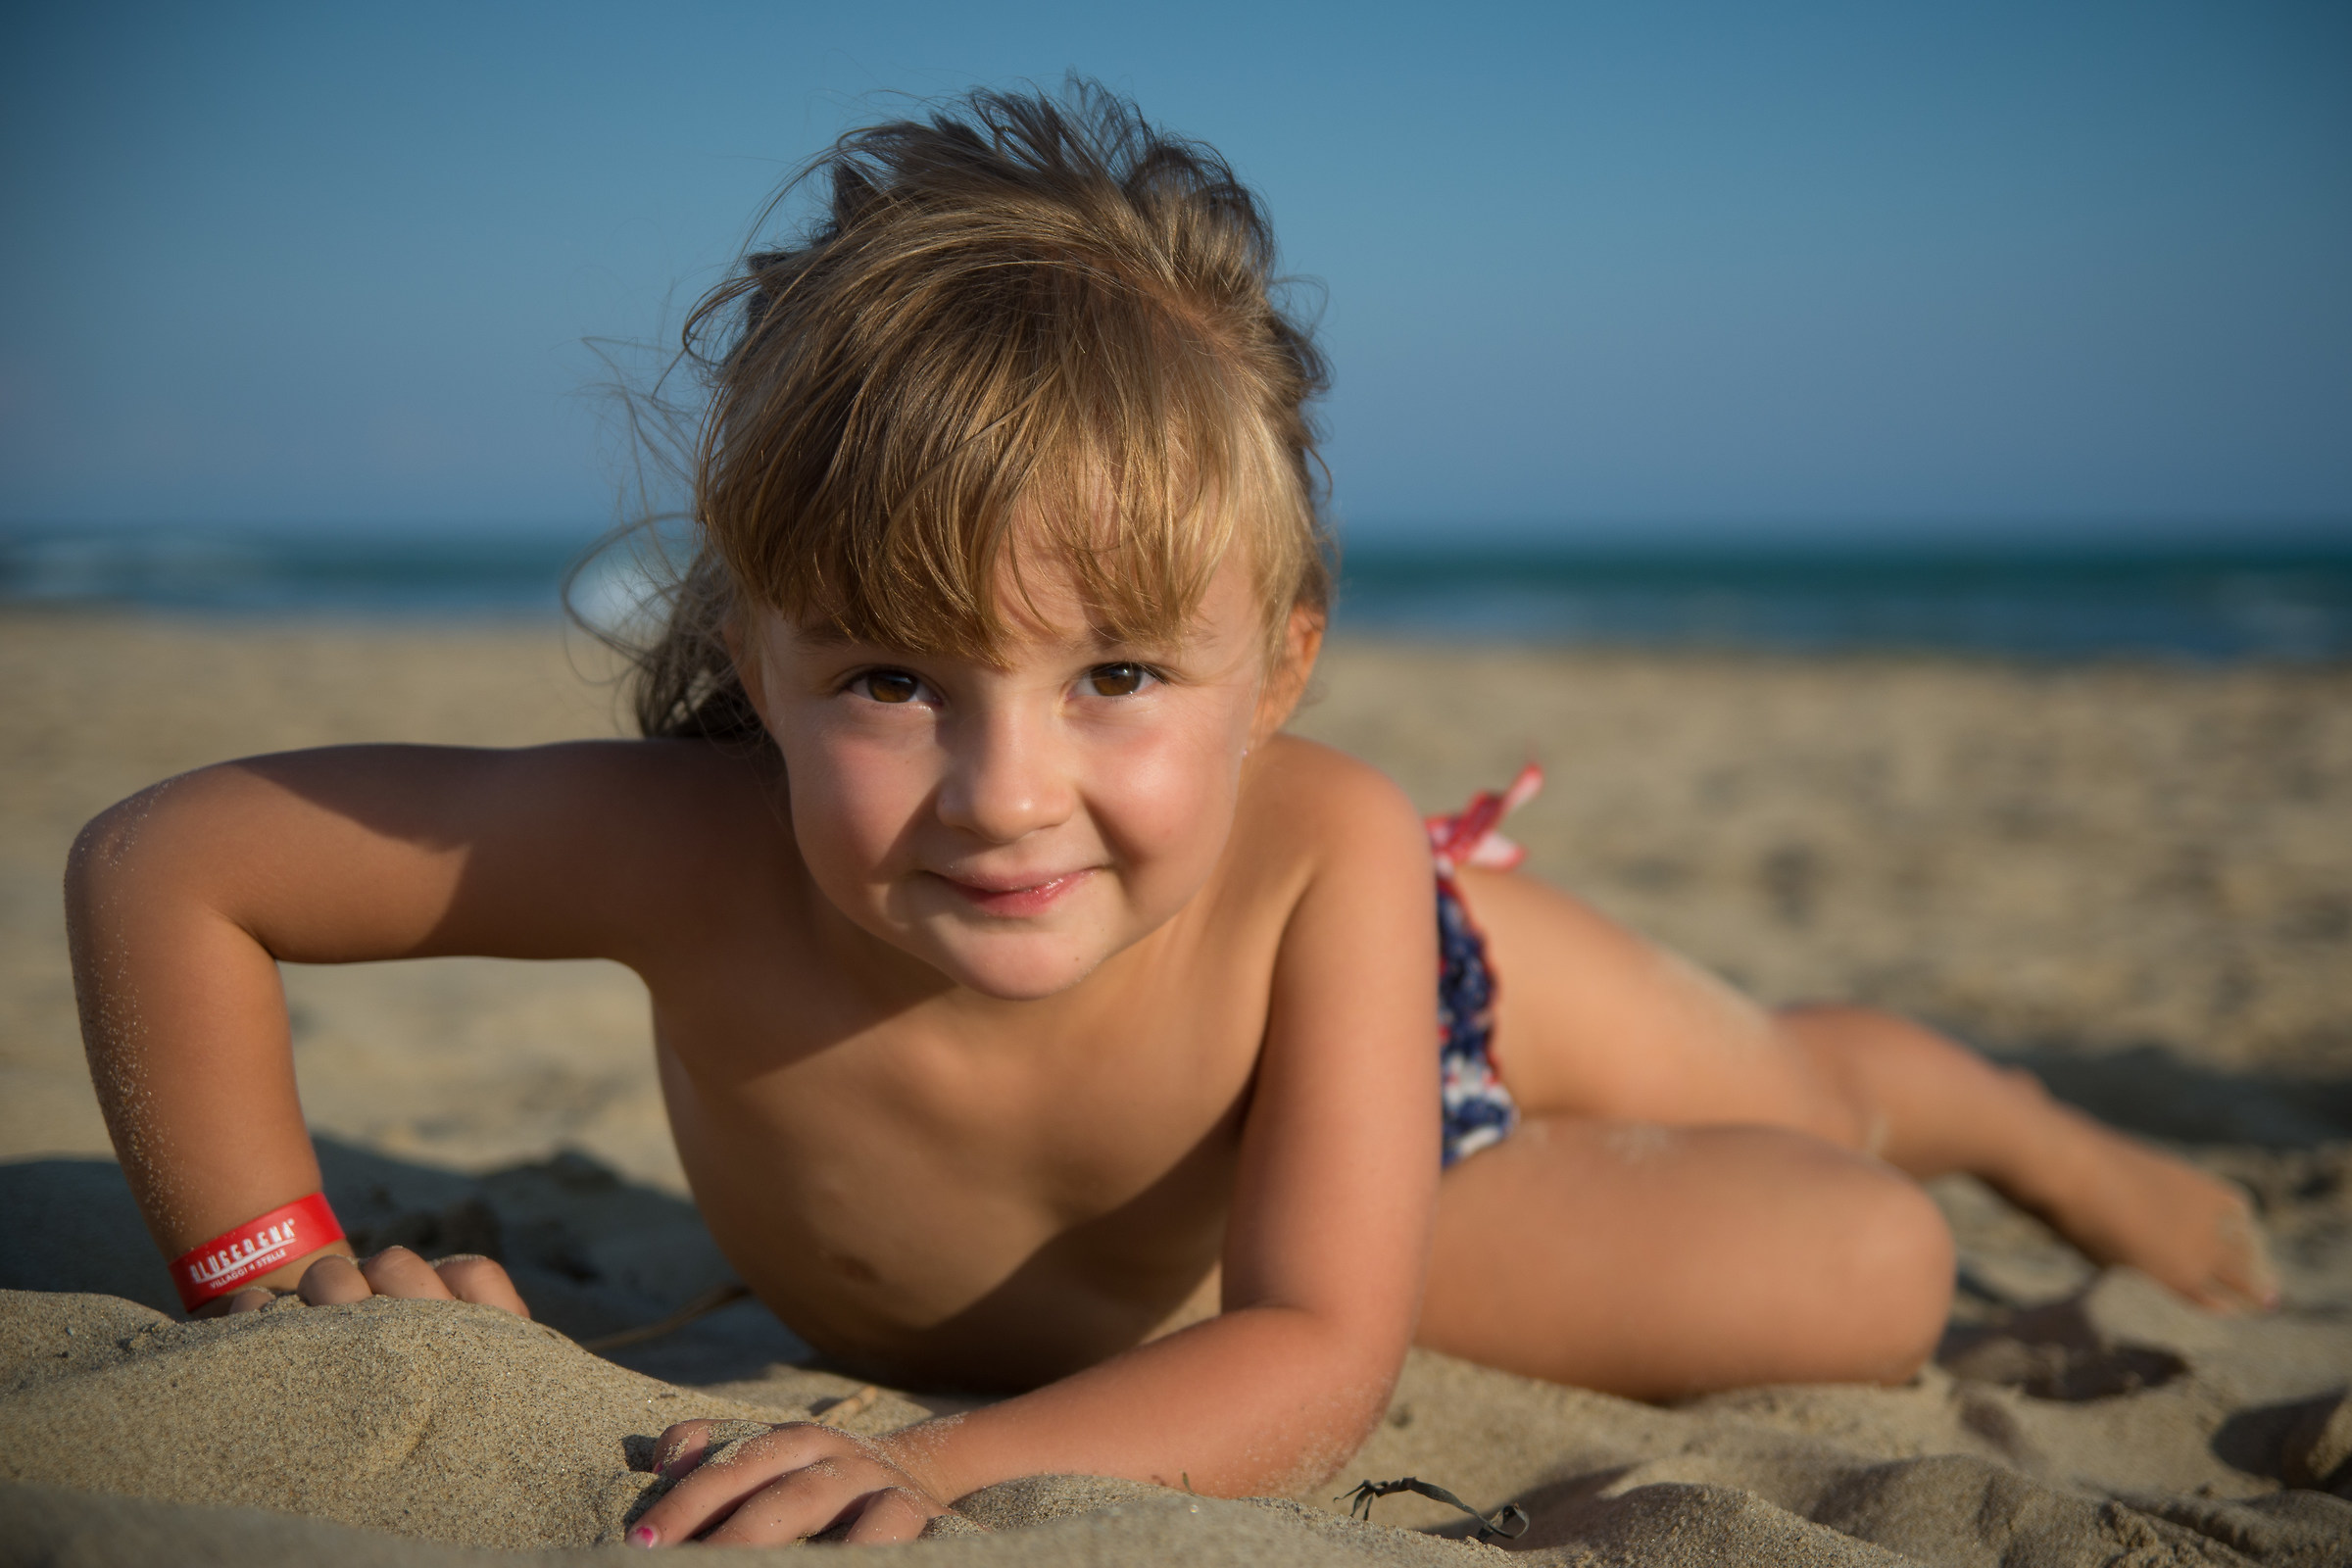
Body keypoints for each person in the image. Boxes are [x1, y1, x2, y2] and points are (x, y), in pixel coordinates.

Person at [66, 84, 2274, 1548]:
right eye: (893, 676)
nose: (1007, 790)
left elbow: (1319, 1351)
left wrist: (930, 1465)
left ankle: (1998, 1108)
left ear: (1276, 666)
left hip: (1388, 1080)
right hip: (1203, 1233)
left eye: (1118, 674)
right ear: (757, 656)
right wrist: (277, 1276)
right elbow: (168, 864)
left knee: (1861, 1230)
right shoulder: (679, 843)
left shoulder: (1313, 835)